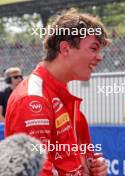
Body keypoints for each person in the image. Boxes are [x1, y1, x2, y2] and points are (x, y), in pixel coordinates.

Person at [5, 9, 110, 176]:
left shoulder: (59, 91)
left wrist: (92, 166)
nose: (100, 57)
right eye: (94, 48)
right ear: (65, 48)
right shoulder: (33, 100)